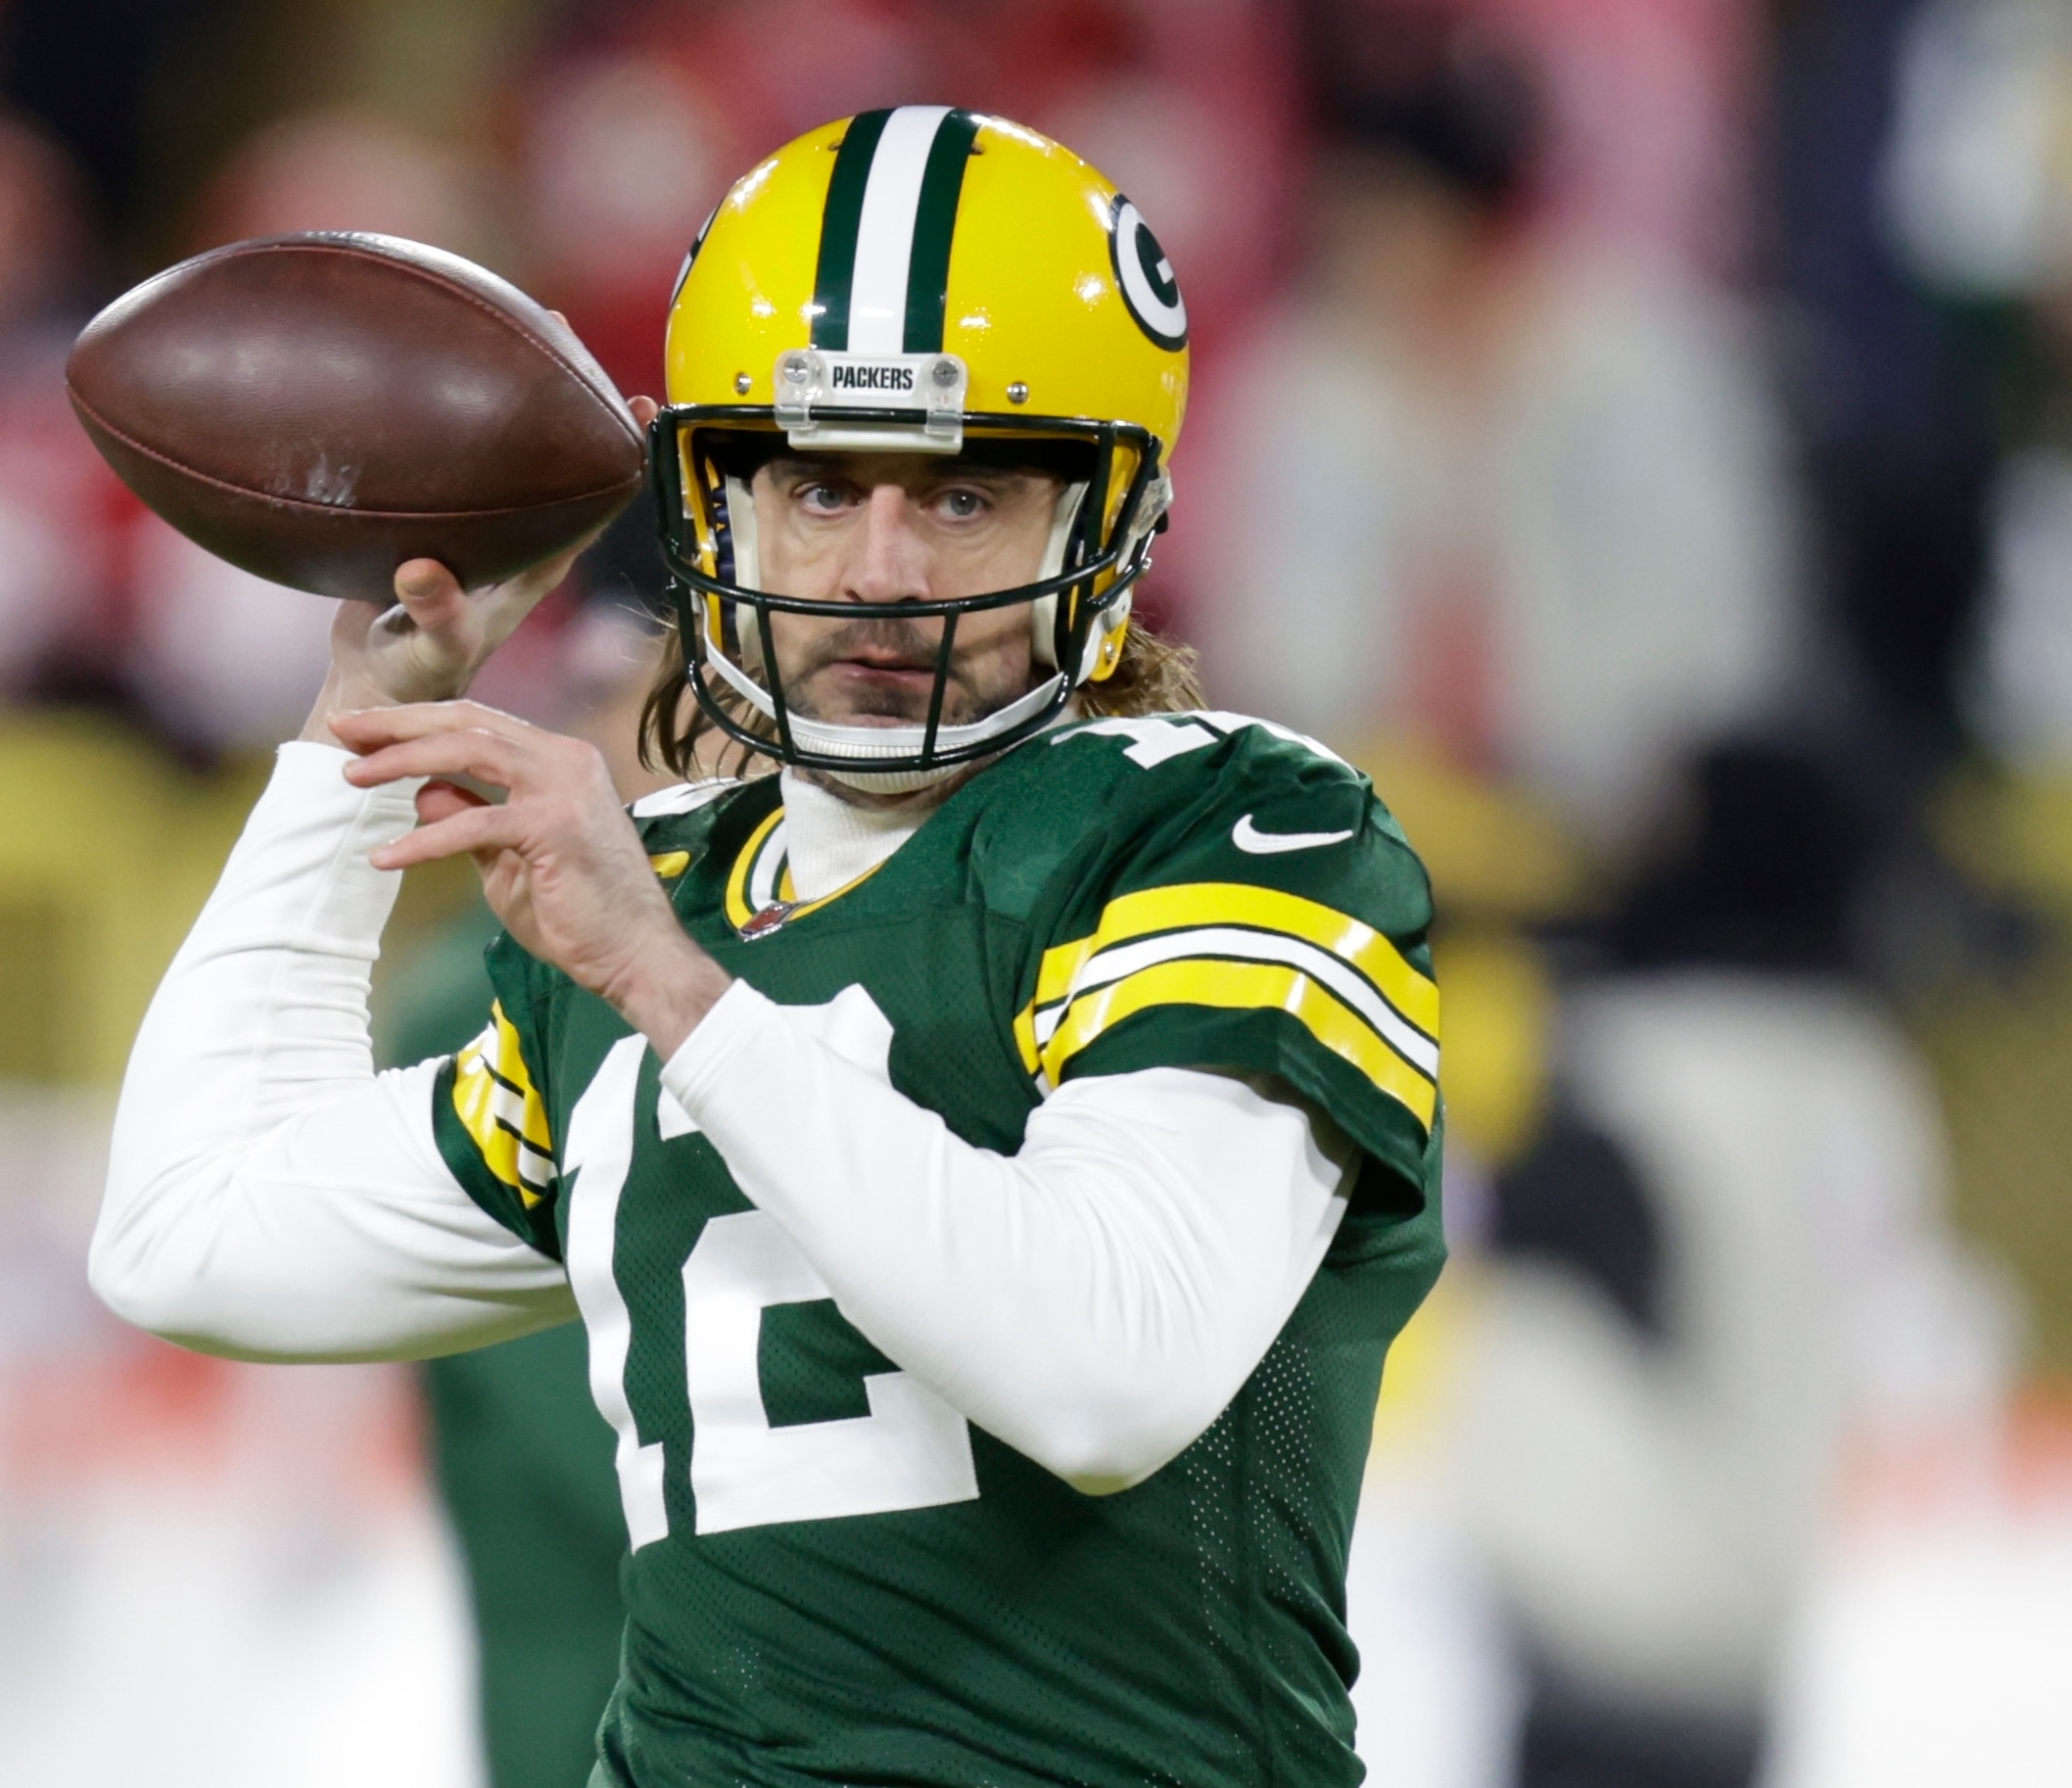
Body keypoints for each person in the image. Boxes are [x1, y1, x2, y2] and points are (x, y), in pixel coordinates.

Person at [94, 108, 1445, 1787]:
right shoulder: (669, 888)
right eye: (816, 486)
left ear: (1109, 517)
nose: (876, 574)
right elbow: (188, 1236)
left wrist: (677, 992)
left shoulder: (1223, 827)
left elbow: (1108, 1370)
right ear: (714, 503)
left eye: (960, 497)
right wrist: (358, 731)